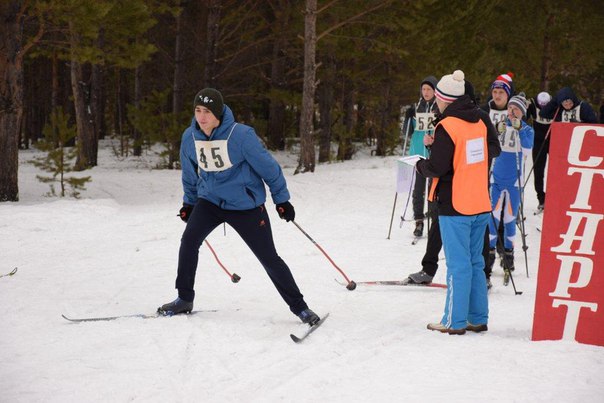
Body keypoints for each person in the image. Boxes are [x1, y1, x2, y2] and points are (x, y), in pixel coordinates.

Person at [159, 88, 320, 326]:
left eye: (207, 112)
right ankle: (184, 298)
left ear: (219, 113)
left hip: (245, 206)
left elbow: (269, 168)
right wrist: (189, 203)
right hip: (210, 202)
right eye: (198, 111)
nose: (202, 117)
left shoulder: (240, 135)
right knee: (189, 241)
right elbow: (189, 174)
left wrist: (281, 200)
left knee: (269, 258)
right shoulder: (190, 137)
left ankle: (300, 308)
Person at [416, 70, 494, 335]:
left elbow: (437, 167)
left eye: (438, 98)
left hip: (455, 202)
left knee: (458, 264)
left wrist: (420, 166)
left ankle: (454, 321)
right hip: (479, 200)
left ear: (445, 99)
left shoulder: (447, 125)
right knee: (475, 263)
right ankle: (477, 317)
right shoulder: (480, 122)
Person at [404, 80, 500, 288]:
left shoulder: (480, 118)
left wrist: (468, 152)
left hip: (475, 183)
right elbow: (445, 156)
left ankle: (483, 274)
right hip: (448, 186)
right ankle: (428, 269)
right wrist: (434, 145)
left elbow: (494, 148)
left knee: (478, 232)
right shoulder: (447, 119)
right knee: (438, 221)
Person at [487, 94, 534, 275]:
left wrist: (520, 128)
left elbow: (528, 150)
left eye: (516, 109)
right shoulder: (501, 125)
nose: (512, 112)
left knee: (509, 218)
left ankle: (508, 253)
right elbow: (489, 144)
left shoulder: (528, 129)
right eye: (510, 108)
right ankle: (489, 254)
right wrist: (496, 131)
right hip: (497, 179)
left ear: (522, 113)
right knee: (493, 217)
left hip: (514, 181)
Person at [402, 76, 439, 237]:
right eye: (423, 89)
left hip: (432, 153)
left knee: (433, 189)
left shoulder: (439, 107)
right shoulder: (417, 106)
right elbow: (406, 133)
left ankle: (433, 220)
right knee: (418, 189)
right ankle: (418, 221)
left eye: (429, 89)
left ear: (435, 91)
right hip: (417, 152)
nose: (426, 92)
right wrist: (408, 118)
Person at [527, 92, 553, 211]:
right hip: (538, 142)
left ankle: (553, 197)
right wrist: (525, 106)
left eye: (545, 105)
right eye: (541, 105)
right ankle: (541, 198)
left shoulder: (555, 104)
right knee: (538, 170)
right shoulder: (532, 103)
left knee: (555, 171)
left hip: (553, 141)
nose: (543, 107)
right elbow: (524, 116)